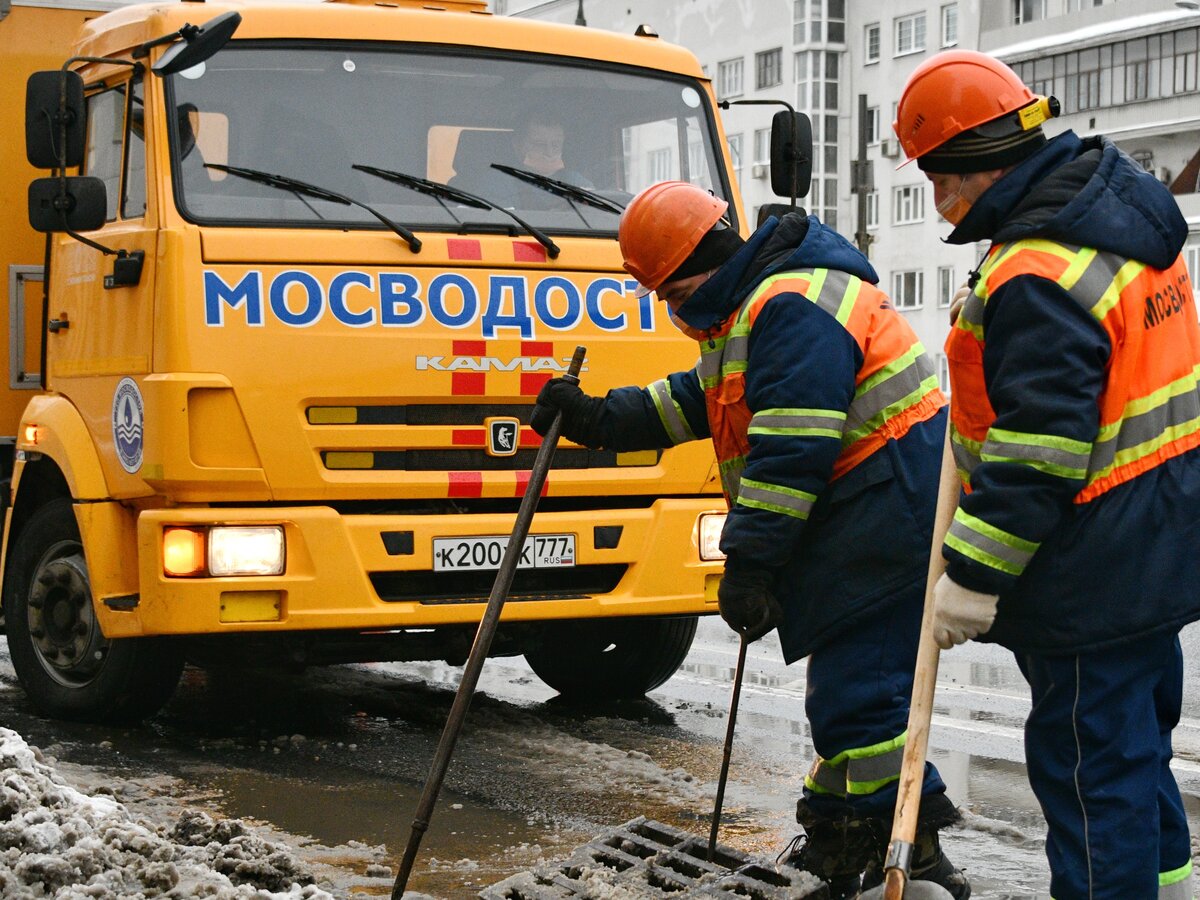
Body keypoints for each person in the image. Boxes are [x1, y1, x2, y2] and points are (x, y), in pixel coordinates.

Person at [529, 181, 970, 899]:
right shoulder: (754, 305)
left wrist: (751, 563)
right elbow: (705, 399)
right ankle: (840, 838)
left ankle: (912, 857)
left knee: (867, 700)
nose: (671, 311)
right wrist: (602, 418)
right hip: (867, 516)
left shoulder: (790, 306)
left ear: (690, 276)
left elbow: (790, 449)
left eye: (669, 294)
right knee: (848, 700)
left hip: (885, 518)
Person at [894, 49, 1200, 899]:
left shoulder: (1037, 272)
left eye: (936, 177)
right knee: (1136, 753)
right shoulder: (1120, 217)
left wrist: (973, 575)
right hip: (1162, 542)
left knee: (1088, 777)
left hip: (1089, 571)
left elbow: (1040, 451)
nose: (937, 199)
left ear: (974, 165)